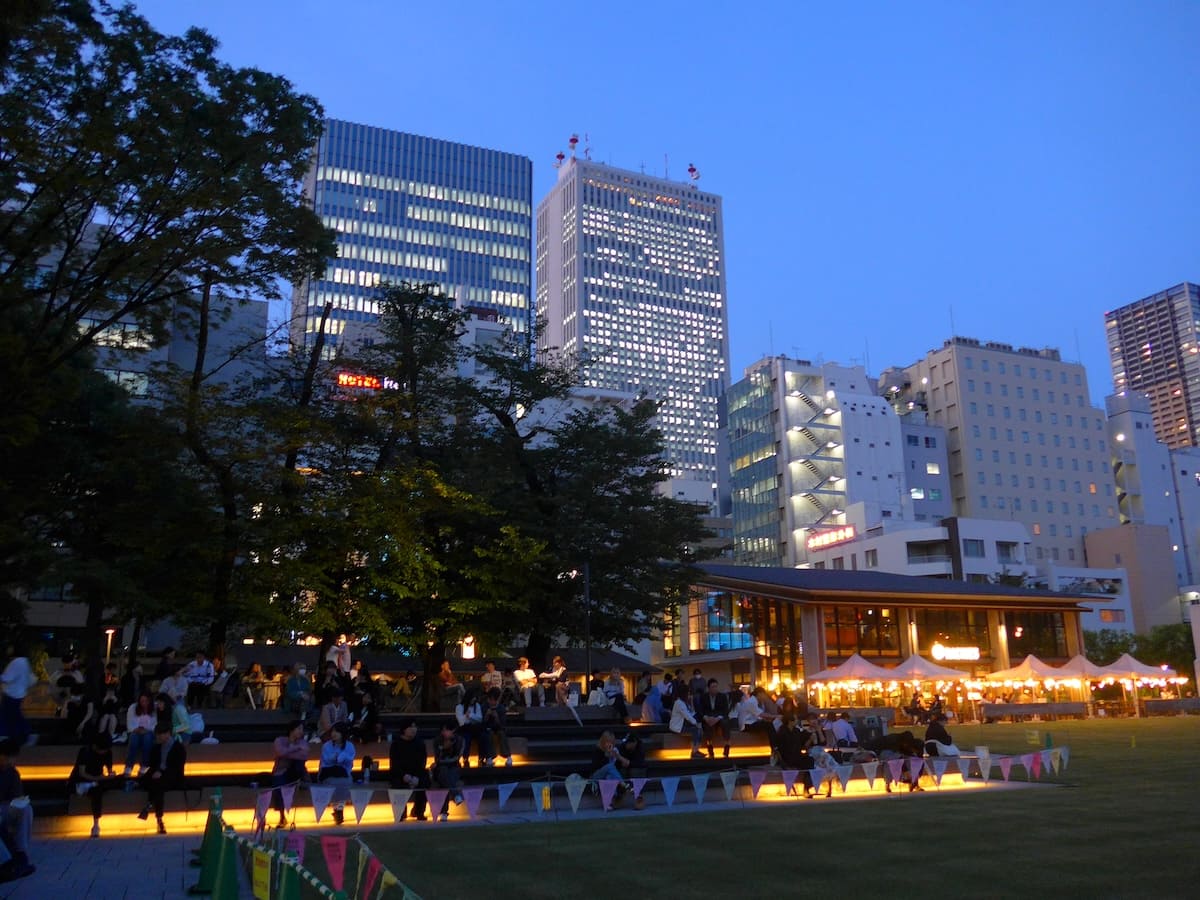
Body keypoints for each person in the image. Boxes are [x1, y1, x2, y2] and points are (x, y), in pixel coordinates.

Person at [136, 722, 185, 834]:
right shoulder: (156, 747)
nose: (158, 737)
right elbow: (153, 765)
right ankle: (156, 815)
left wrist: (161, 772)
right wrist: (156, 771)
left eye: (160, 735)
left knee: (157, 784)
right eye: (157, 735)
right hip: (159, 774)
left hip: (172, 776)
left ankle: (155, 813)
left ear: (167, 734)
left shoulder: (178, 748)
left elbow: (177, 768)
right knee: (155, 782)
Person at [70, 733, 120, 838]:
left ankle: (97, 785)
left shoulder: (108, 752)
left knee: (120, 779)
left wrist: (111, 775)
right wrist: (99, 779)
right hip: (83, 781)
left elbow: (109, 770)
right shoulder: (85, 752)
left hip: (98, 779)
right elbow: (82, 773)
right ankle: (96, 825)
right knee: (97, 792)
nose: (103, 752)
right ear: (95, 746)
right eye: (102, 750)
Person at [0, 740, 33, 880]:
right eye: (7, 758)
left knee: (25, 809)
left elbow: (16, 798)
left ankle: (21, 852)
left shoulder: (12, 773)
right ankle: (7, 862)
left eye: (12, 758)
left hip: (3, 807)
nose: (10, 761)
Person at [388, 717, 429, 821]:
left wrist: (416, 776)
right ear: (404, 729)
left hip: (416, 772)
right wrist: (404, 775)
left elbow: (422, 762)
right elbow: (394, 764)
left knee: (424, 779)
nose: (413, 729)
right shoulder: (396, 744)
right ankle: (401, 811)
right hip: (401, 773)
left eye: (415, 727)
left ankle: (419, 811)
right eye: (410, 727)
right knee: (396, 781)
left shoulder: (420, 743)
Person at [270, 720, 310, 827]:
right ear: (292, 730)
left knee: (299, 765)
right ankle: (282, 816)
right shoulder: (280, 740)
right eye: (299, 729)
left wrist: (288, 752)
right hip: (281, 770)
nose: (301, 732)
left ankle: (302, 785)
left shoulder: (303, 743)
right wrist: (295, 748)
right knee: (278, 786)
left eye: (302, 729)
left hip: (296, 770)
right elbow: (280, 752)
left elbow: (303, 756)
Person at [318, 722, 355, 826]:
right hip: (328, 771)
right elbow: (326, 761)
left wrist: (343, 757)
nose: (334, 733)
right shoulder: (326, 746)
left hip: (343, 772)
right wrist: (335, 757)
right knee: (333, 782)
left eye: (337, 731)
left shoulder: (349, 746)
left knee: (346, 781)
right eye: (333, 731)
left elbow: (350, 762)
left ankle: (339, 810)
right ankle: (336, 808)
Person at [0, 647, 34, 747]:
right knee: (13, 714)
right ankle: (23, 734)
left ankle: (23, 734)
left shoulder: (16, 662)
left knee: (11, 715)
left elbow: (7, 677)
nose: (8, 651)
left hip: (12, 693)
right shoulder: (25, 662)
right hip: (20, 692)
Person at [430, 722, 464, 822]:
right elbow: (437, 760)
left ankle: (444, 812)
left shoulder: (460, 740)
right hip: (440, 768)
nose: (444, 733)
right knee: (443, 772)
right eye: (443, 730)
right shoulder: (437, 740)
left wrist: (443, 759)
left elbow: (457, 758)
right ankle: (456, 795)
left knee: (447, 778)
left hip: (454, 766)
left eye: (447, 730)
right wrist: (443, 749)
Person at [697, 678, 732, 759]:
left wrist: (717, 718)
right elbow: (700, 710)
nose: (715, 688)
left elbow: (725, 710)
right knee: (707, 726)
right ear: (708, 688)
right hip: (708, 717)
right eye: (713, 687)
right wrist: (705, 718)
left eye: (716, 686)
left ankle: (727, 746)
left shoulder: (722, 696)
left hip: (719, 717)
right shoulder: (704, 697)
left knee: (725, 722)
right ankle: (710, 748)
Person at [123, 692, 156, 776]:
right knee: (134, 737)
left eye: (146, 701)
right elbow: (129, 724)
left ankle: (144, 765)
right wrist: (136, 729)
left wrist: (147, 730)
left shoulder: (154, 708)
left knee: (147, 738)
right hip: (136, 731)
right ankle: (129, 766)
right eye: (142, 701)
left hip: (149, 732)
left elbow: (155, 725)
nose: (144, 703)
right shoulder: (133, 707)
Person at [669, 684, 705, 759]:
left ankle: (696, 749)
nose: (689, 695)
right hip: (677, 727)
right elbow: (687, 716)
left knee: (700, 729)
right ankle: (694, 751)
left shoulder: (684, 702)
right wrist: (696, 723)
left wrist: (691, 702)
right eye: (688, 693)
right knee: (695, 730)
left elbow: (692, 713)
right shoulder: (679, 703)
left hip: (683, 724)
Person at [481, 688, 512, 766]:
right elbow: (481, 723)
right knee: (488, 734)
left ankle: (508, 756)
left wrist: (497, 718)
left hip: (498, 728)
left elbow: (502, 724)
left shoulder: (501, 708)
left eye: (493, 700)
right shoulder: (484, 706)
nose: (491, 702)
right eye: (490, 699)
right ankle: (489, 757)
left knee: (502, 733)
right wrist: (487, 716)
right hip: (487, 728)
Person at [455, 689, 486, 767]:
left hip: (475, 729)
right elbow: (461, 722)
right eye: (473, 698)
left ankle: (482, 758)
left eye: (475, 698)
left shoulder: (477, 706)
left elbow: (480, 719)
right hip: (465, 729)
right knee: (466, 738)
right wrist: (466, 716)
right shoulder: (459, 707)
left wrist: (470, 715)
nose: (474, 700)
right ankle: (465, 758)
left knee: (483, 737)